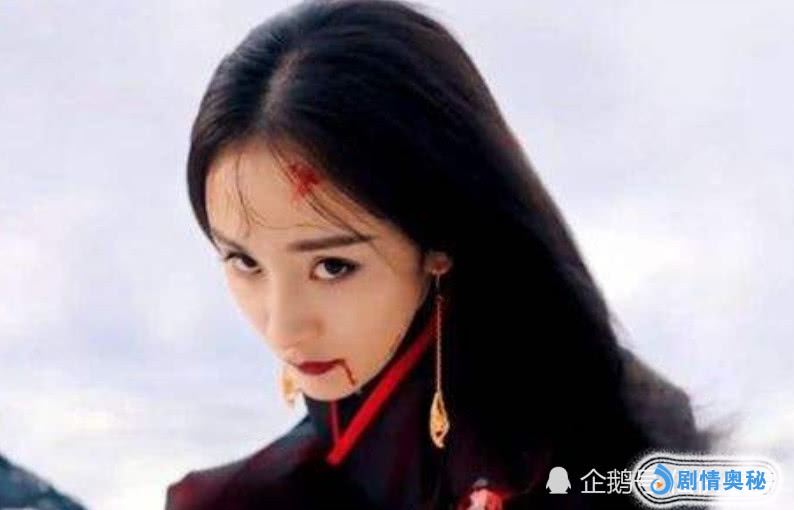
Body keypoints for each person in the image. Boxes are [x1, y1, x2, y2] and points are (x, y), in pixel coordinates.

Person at [165, 0, 717, 508]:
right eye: (245, 262)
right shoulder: (258, 488)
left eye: (333, 266)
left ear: (437, 241)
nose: (283, 328)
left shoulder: (616, 459)